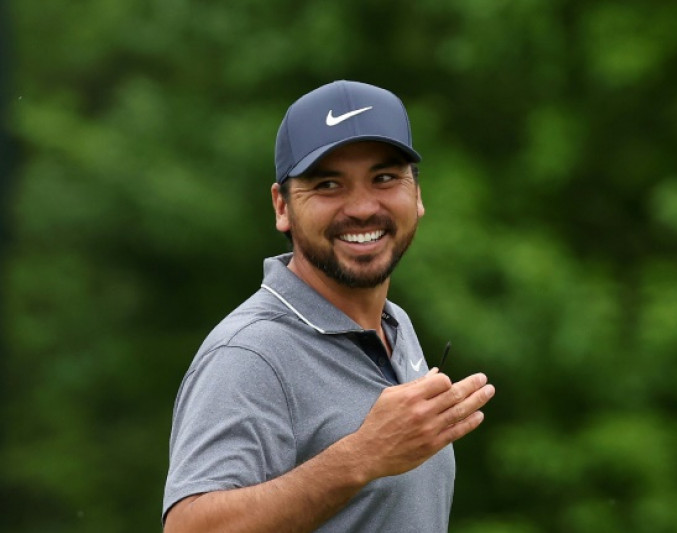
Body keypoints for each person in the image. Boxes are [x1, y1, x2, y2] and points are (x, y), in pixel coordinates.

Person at [162, 80, 495, 533]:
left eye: (384, 178)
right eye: (328, 185)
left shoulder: (395, 325)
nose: (362, 208)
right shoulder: (250, 353)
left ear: (417, 194)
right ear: (282, 206)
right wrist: (362, 455)